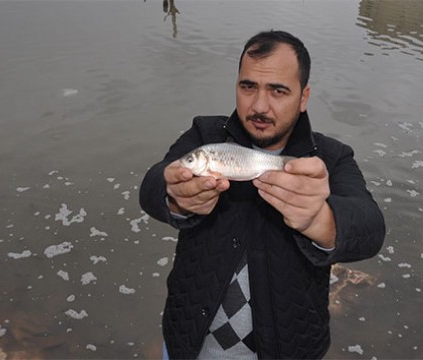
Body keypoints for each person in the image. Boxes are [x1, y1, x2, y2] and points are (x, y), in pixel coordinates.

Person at [139, 30, 385, 359]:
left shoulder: (329, 158)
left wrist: (321, 220)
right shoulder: (206, 135)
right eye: (248, 86)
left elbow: (370, 229)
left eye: (278, 91)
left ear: (303, 97)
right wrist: (174, 195)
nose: (258, 106)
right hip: (188, 343)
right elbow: (153, 184)